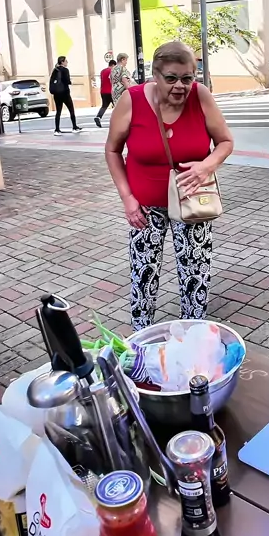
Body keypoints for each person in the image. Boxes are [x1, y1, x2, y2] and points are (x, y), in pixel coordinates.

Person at [105, 40, 234, 330]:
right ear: (155, 76)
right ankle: (141, 338)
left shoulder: (200, 96)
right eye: (171, 78)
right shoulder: (132, 100)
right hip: (144, 207)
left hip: (192, 203)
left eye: (187, 78)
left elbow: (225, 141)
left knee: (195, 273)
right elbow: (112, 150)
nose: (180, 86)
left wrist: (207, 166)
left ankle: (194, 334)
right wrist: (127, 198)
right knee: (143, 274)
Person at [49, 56, 82, 135]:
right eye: (66, 61)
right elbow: (67, 81)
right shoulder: (65, 70)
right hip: (65, 93)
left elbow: (52, 81)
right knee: (71, 110)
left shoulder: (55, 70)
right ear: (62, 62)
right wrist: (70, 82)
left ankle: (57, 129)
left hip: (57, 94)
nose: (67, 62)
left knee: (58, 111)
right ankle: (74, 127)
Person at [95, 59, 116, 128]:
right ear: (113, 65)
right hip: (111, 91)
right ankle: (117, 120)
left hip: (103, 91)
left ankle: (98, 117)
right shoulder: (112, 71)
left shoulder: (102, 71)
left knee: (104, 106)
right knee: (117, 106)